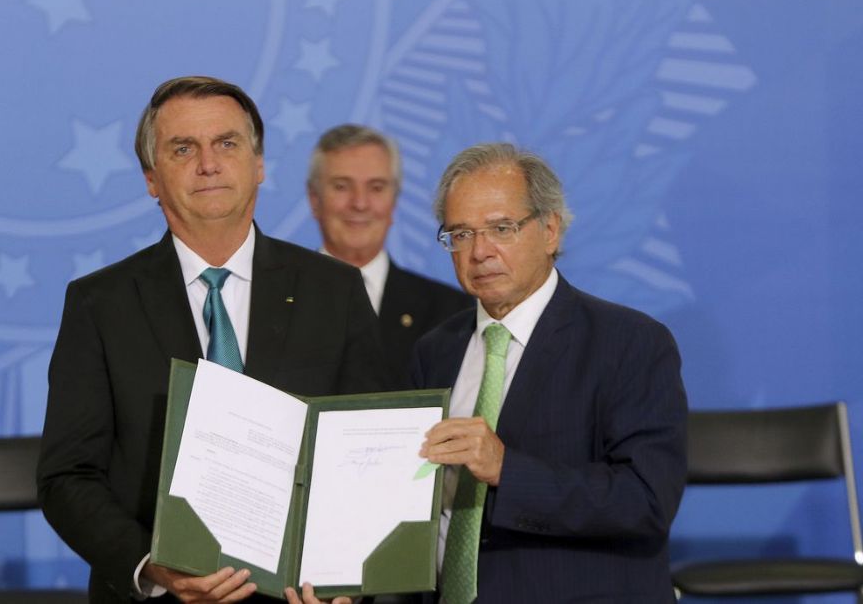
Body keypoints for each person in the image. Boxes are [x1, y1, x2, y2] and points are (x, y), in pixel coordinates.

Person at [37, 76, 384, 604]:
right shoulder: (99, 304)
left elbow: (368, 455)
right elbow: (68, 476)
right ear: (152, 178)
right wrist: (153, 567)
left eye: (227, 143)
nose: (209, 163)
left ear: (259, 163)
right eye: (183, 149)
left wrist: (347, 585)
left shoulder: (334, 291)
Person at [414, 144, 687, 603]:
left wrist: (507, 469)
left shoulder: (630, 343)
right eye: (460, 234)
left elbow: (646, 502)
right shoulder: (433, 350)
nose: (480, 251)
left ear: (550, 230)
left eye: (501, 228)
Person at [307, 124, 472, 388]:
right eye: (341, 186)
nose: (360, 203)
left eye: (376, 188)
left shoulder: (452, 314)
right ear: (314, 200)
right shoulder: (271, 297)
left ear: (394, 201)